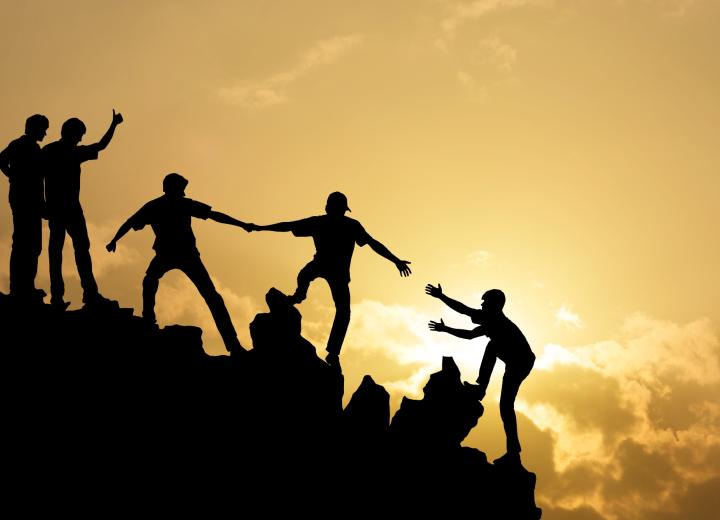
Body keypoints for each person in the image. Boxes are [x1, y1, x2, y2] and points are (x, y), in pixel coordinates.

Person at [247, 191, 412, 368]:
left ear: (328, 207)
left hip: (328, 268)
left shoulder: (328, 223)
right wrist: (396, 261)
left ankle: (300, 299)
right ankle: (331, 348)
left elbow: (288, 226)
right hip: (333, 270)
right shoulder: (344, 224)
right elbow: (372, 243)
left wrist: (259, 227)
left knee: (312, 281)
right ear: (341, 209)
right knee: (339, 307)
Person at [106, 173, 250, 355]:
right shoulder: (177, 204)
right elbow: (214, 216)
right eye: (181, 188)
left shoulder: (157, 205)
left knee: (153, 281)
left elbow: (131, 222)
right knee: (156, 282)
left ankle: (233, 345)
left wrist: (115, 240)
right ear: (174, 188)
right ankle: (233, 345)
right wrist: (115, 239)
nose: (183, 192)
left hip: (180, 254)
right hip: (178, 254)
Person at [426, 284, 535, 465]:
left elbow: (463, 311)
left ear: (495, 305)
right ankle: (482, 388)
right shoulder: (491, 321)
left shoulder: (495, 321)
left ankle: (513, 452)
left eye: (485, 303)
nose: (482, 306)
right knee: (492, 348)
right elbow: (468, 329)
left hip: (521, 362)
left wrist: (441, 297)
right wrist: (446, 326)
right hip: (517, 361)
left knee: (505, 405)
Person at [43, 109, 124, 309]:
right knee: (68, 251)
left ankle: (70, 296)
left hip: (63, 208)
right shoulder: (67, 152)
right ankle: (77, 295)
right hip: (65, 209)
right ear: (72, 133)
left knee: (64, 251)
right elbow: (101, 145)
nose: (80, 139)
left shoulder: (50, 150)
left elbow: (100, 146)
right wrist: (114, 125)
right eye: (79, 135)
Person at [0, 114, 50, 303]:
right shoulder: (19, 145)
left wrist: (43, 203)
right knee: (23, 243)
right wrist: (12, 175)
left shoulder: (36, 149)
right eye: (43, 129)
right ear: (34, 128)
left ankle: (27, 285)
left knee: (33, 245)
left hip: (34, 201)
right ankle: (19, 288)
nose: (45, 133)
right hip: (23, 200)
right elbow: (0, 160)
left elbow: (39, 179)